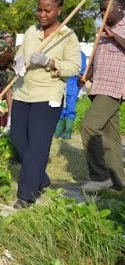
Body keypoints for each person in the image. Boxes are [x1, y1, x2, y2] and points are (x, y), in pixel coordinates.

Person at [11, 0, 81, 208]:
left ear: (59, 10)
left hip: (48, 95)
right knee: (17, 138)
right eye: (39, 9)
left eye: (47, 10)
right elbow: (20, 52)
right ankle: (41, 178)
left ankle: (27, 194)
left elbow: (75, 67)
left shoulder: (68, 36)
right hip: (24, 92)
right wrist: (19, 61)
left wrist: (50, 62)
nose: (42, 14)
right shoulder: (31, 31)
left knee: (37, 146)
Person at [79, 0, 125, 192]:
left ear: (120, 8)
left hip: (115, 87)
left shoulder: (119, 29)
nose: (102, 13)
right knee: (110, 137)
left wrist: (112, 36)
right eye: (100, 10)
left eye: (106, 9)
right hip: (99, 85)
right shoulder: (103, 28)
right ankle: (118, 182)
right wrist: (86, 76)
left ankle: (100, 176)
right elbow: (98, 57)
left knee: (88, 126)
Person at [54, 51, 87, 139]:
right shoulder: (62, 50)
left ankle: (67, 132)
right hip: (60, 83)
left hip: (73, 84)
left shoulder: (80, 54)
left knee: (70, 108)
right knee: (59, 107)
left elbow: (83, 70)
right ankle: (58, 131)